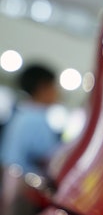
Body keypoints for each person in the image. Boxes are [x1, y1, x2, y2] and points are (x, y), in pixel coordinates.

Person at [0, 64, 61, 215]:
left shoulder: (22, 113)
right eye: (54, 86)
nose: (58, 93)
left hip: (10, 177)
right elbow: (47, 155)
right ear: (43, 88)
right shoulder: (37, 118)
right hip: (24, 185)